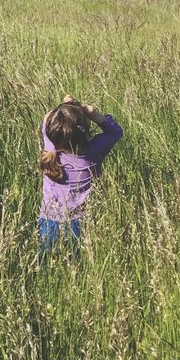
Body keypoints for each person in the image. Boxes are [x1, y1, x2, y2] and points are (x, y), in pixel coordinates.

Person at [38, 95, 122, 252]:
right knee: (75, 262)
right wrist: (96, 116)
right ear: (85, 131)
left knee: (45, 261)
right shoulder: (94, 151)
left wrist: (64, 107)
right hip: (78, 222)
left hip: (48, 218)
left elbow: (46, 121)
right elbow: (115, 132)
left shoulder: (51, 147)